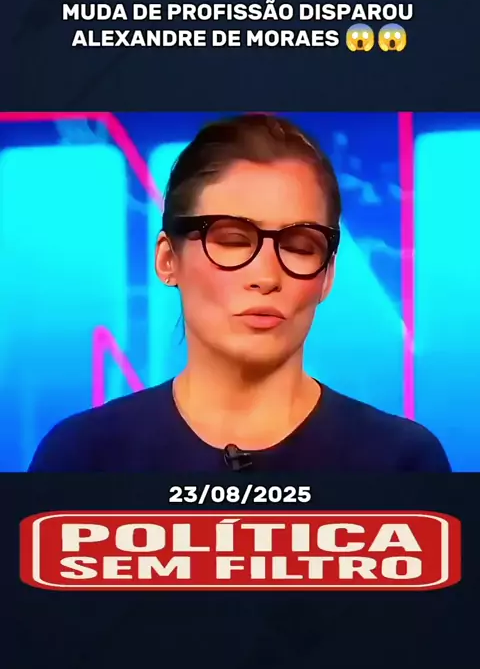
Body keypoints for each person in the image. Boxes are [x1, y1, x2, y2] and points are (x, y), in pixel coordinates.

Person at [29, 114, 451, 472]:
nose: (266, 276)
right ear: (167, 259)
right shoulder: (81, 457)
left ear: (327, 276)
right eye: (232, 240)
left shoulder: (402, 462)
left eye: (300, 246)